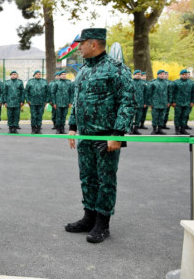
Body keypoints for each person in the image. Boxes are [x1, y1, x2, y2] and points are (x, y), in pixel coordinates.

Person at [66, 28, 134, 244]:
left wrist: (118, 133)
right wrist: (73, 126)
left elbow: (127, 101)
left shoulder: (117, 69)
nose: (79, 47)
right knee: (87, 177)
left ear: (93, 44)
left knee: (106, 181)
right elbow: (77, 101)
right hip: (85, 135)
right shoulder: (84, 71)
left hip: (106, 136)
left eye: (81, 43)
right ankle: (89, 217)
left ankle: (102, 223)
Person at [170, 69, 194, 135]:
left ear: (188, 75)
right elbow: (172, 92)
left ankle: (183, 129)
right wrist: (173, 101)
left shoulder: (191, 83)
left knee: (185, 116)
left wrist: (193, 101)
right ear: (180, 75)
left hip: (187, 103)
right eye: (183, 74)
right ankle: (177, 130)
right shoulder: (176, 82)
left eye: (186, 74)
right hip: (178, 103)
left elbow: (193, 93)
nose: (184, 76)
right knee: (177, 116)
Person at [25, 70, 48, 134]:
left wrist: (46, 101)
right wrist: (28, 100)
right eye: (37, 74)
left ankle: (38, 128)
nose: (38, 75)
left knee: (40, 116)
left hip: (41, 102)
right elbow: (26, 91)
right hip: (32, 102)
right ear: (34, 75)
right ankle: (33, 129)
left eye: (39, 74)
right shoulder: (30, 81)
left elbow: (47, 92)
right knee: (33, 116)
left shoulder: (44, 81)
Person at [147, 70, 169, 135]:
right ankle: (154, 129)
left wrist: (168, 102)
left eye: (163, 74)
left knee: (162, 117)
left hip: (163, 102)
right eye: (161, 74)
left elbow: (168, 93)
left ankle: (160, 129)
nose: (162, 75)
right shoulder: (153, 83)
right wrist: (150, 103)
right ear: (158, 75)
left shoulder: (166, 83)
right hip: (155, 103)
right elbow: (149, 94)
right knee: (155, 117)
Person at [129, 70, 146, 135]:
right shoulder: (130, 82)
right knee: (131, 117)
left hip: (140, 103)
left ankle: (136, 129)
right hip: (132, 103)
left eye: (139, 74)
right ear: (134, 75)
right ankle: (130, 129)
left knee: (138, 117)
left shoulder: (143, 83)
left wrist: (145, 102)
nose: (138, 75)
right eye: (136, 74)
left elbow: (145, 93)